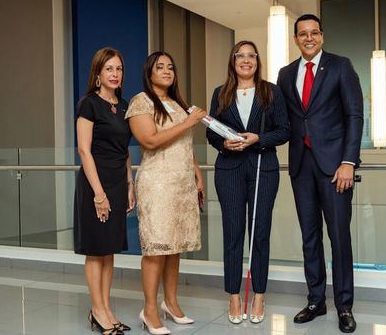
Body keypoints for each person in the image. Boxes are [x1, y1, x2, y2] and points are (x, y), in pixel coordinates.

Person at [276, 14, 363, 333]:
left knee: (339, 238)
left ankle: (344, 305)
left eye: (314, 33)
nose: (308, 38)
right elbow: (284, 121)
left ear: (322, 36)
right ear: (296, 39)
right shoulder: (285, 74)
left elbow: (355, 115)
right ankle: (316, 300)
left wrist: (348, 162)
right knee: (309, 237)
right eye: (302, 34)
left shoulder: (341, 66)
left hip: (335, 168)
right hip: (301, 167)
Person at [207, 40, 289, 324]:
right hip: (228, 169)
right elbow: (211, 133)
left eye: (250, 56)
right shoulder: (221, 93)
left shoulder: (271, 91)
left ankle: (259, 295)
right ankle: (233, 295)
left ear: (257, 60)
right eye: (239, 56)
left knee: (260, 234)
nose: (245, 60)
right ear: (233, 61)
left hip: (262, 167)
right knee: (232, 234)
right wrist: (224, 143)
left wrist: (258, 139)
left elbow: (284, 131)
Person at [126, 51, 206, 335]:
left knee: (175, 248)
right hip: (157, 183)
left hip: (182, 184)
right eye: (160, 67)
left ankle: (170, 303)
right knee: (157, 248)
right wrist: (189, 122)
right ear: (149, 73)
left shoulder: (178, 103)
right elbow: (149, 140)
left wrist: (197, 174)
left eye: (171, 67)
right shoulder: (141, 101)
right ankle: (149, 309)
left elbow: (185, 144)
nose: (167, 71)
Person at [74, 47, 133, 335]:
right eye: (109, 68)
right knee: (96, 250)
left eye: (119, 68)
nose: (114, 73)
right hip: (94, 182)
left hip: (118, 182)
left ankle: (106, 308)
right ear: (98, 74)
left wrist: (130, 183)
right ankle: (97, 311)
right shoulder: (89, 104)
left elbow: (125, 151)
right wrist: (99, 194)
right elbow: (84, 151)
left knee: (109, 250)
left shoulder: (123, 106)